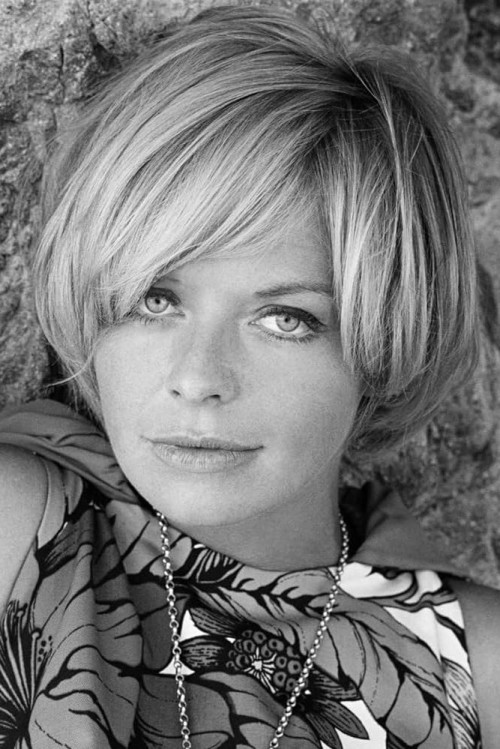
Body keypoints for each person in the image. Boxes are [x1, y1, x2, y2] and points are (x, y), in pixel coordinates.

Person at [0, 5, 499, 747]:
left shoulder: (478, 670)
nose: (198, 377)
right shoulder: (20, 532)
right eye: (155, 299)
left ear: (388, 335)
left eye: (285, 318)